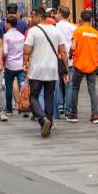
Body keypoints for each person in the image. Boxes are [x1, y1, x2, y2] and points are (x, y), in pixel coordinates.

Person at [23, 9, 68, 137]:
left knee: (33, 97)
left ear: (38, 17)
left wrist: (25, 63)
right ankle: (49, 123)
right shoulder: (56, 30)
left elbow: (26, 50)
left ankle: (43, 119)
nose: (31, 19)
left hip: (37, 69)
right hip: (52, 69)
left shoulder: (33, 31)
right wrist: (66, 69)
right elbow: (63, 51)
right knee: (49, 97)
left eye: (33, 17)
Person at [68, 9, 98, 124]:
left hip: (79, 64)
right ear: (91, 19)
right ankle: (95, 115)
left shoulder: (78, 31)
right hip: (92, 64)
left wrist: (70, 54)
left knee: (75, 88)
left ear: (81, 19)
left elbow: (73, 47)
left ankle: (74, 114)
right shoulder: (96, 33)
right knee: (92, 90)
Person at [56, 6, 77, 119]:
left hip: (58, 57)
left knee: (58, 83)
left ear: (59, 14)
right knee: (69, 85)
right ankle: (68, 110)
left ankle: (59, 105)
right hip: (70, 59)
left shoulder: (55, 27)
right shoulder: (73, 27)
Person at [3, 15, 26, 116]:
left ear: (9, 24)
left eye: (6, 23)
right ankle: (23, 107)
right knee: (23, 86)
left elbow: (5, 52)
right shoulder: (21, 36)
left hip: (10, 65)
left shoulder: (6, 36)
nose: (5, 25)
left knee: (8, 87)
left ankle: (9, 109)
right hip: (20, 65)